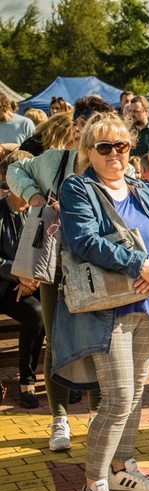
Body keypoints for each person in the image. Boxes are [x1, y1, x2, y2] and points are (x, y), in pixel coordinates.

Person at [54, 113, 149, 491]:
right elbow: (84, 241)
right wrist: (141, 264)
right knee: (119, 397)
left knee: (137, 392)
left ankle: (123, 467)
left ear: (130, 149)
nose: (114, 153)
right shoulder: (79, 188)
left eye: (121, 145)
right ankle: (94, 484)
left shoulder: (141, 189)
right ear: (88, 151)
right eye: (104, 146)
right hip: (110, 309)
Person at [7, 95, 113, 452]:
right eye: (84, 126)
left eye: (98, 128)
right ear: (75, 127)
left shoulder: (112, 168)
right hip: (54, 265)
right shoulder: (57, 160)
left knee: (99, 343)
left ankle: (99, 417)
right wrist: (35, 198)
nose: (90, 134)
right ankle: (59, 420)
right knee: (55, 341)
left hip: (98, 268)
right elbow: (14, 169)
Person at [0, 150, 44, 409]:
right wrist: (18, 273)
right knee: (35, 313)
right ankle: (27, 380)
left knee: (59, 306)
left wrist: (35, 278)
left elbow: (49, 248)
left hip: (33, 280)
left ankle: (62, 377)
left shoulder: (39, 210)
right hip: (5, 284)